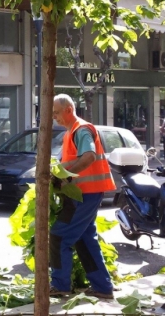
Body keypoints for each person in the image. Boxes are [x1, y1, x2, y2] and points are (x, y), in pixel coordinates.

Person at [50, 94, 116, 299]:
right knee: (84, 239)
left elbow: (89, 156)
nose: (54, 118)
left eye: (56, 113)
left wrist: (66, 178)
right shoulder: (71, 132)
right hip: (84, 194)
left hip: (84, 194)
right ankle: (102, 287)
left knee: (59, 236)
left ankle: (60, 285)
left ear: (69, 110)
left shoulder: (82, 129)